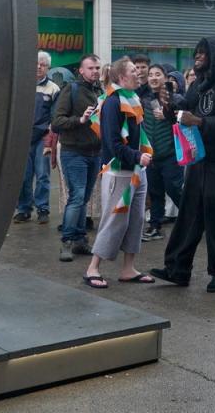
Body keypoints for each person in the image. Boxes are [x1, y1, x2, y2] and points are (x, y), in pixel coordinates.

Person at [151, 37, 215, 293]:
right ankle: (177, 269)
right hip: (197, 160)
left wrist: (201, 122)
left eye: (205, 53)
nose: (198, 56)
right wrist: (170, 104)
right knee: (188, 217)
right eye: (198, 52)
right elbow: (184, 113)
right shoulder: (199, 85)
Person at [82, 58, 155, 288]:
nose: (139, 73)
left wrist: (140, 157)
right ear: (122, 77)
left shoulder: (132, 98)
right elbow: (113, 144)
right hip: (119, 171)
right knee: (114, 221)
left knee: (136, 220)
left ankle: (128, 268)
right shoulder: (113, 103)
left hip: (136, 170)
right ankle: (93, 268)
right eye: (134, 70)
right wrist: (137, 156)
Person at [51, 54, 103, 262]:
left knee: (84, 198)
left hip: (94, 152)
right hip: (74, 152)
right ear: (81, 70)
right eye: (91, 68)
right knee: (77, 196)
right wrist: (80, 119)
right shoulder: (70, 89)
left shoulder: (100, 91)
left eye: (98, 68)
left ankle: (80, 240)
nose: (95, 71)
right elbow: (57, 122)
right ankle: (67, 241)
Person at [15, 51, 60, 224]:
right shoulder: (21, 87)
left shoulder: (53, 89)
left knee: (42, 175)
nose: (38, 67)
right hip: (23, 138)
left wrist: (50, 138)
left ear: (48, 68)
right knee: (23, 176)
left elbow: (55, 115)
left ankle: (43, 209)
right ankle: (24, 209)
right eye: (36, 64)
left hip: (43, 138)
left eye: (42, 64)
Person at [141, 64, 184, 241]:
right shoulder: (143, 99)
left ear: (166, 78)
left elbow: (187, 117)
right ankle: (155, 226)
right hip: (151, 156)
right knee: (155, 192)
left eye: (158, 74)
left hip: (170, 154)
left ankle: (194, 218)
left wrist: (168, 115)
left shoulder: (177, 98)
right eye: (150, 74)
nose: (153, 77)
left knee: (175, 190)